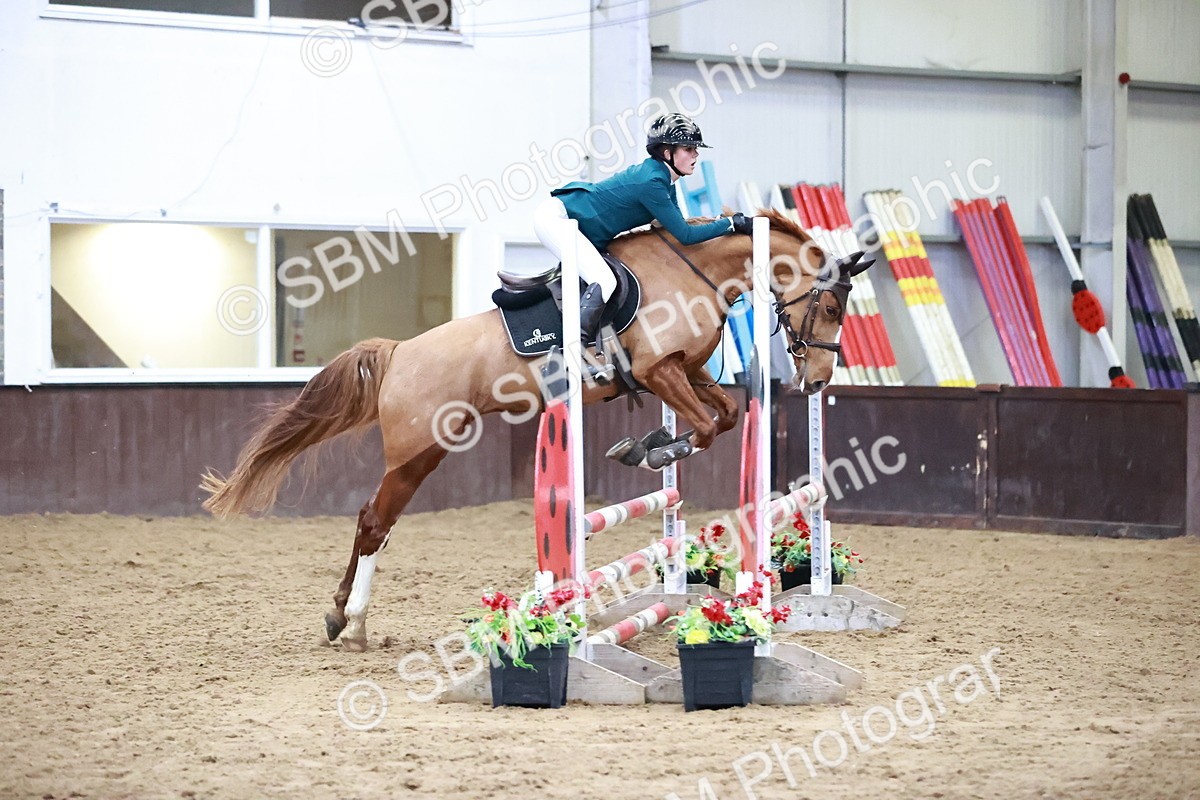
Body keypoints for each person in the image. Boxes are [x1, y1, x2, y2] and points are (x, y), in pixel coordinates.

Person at [533, 112, 754, 343]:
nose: (696, 154)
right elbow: (686, 236)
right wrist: (729, 223)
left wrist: (719, 222)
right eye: (688, 149)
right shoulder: (652, 183)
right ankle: (570, 351)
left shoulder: (664, 181)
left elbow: (675, 228)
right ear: (667, 152)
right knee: (604, 280)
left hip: (574, 223)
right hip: (558, 218)